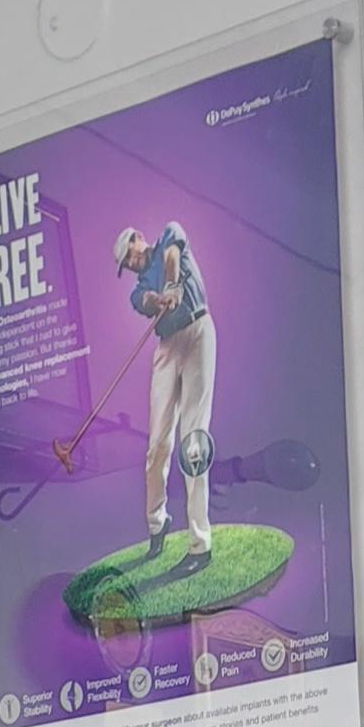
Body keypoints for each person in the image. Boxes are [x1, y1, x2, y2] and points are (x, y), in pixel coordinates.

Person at [115, 219, 216, 568]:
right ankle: (157, 523)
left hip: (198, 331)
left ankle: (199, 545)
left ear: (139, 239)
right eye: (125, 265)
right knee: (157, 445)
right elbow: (144, 300)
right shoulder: (137, 287)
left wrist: (173, 285)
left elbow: (173, 255)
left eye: (129, 256)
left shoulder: (169, 234)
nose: (130, 265)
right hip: (167, 346)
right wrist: (159, 297)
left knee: (193, 441)